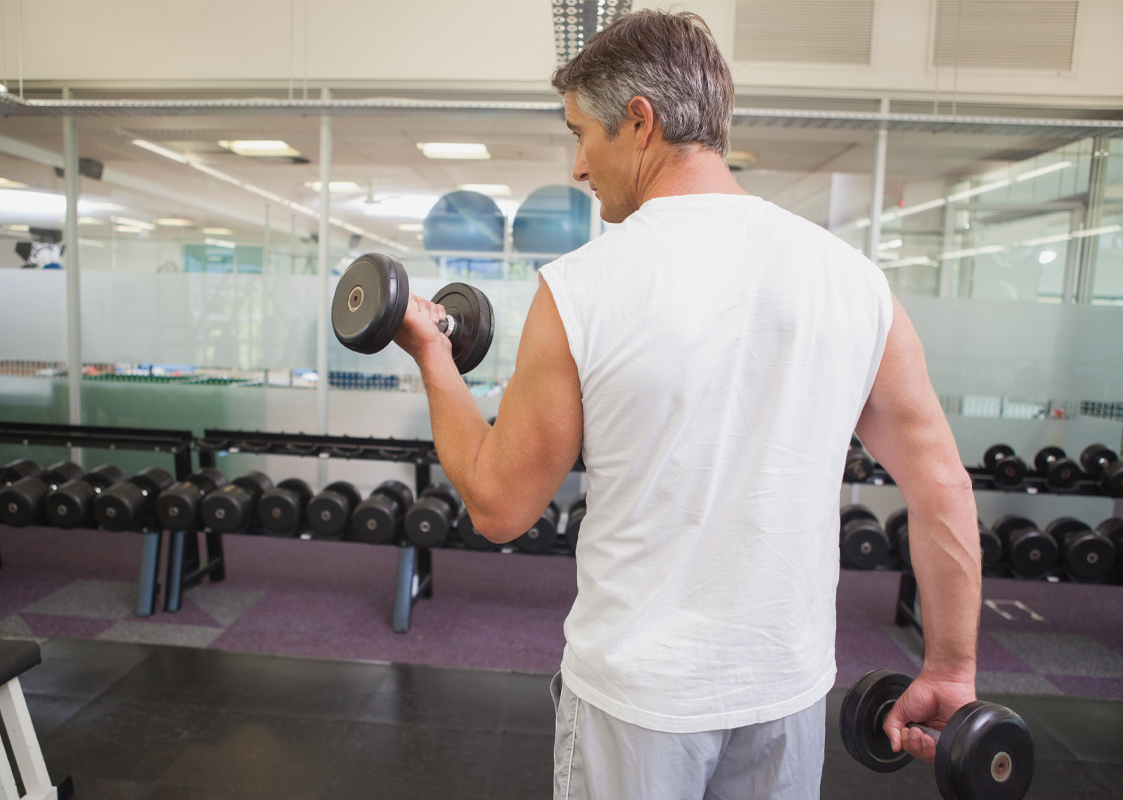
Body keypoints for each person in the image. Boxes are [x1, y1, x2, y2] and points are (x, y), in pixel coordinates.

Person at [392, 9, 982, 800]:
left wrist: (435, 357)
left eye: (582, 134)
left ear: (639, 123)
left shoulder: (582, 289)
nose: (577, 165)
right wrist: (950, 665)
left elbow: (498, 507)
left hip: (637, 702)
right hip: (785, 693)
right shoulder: (852, 282)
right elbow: (941, 485)